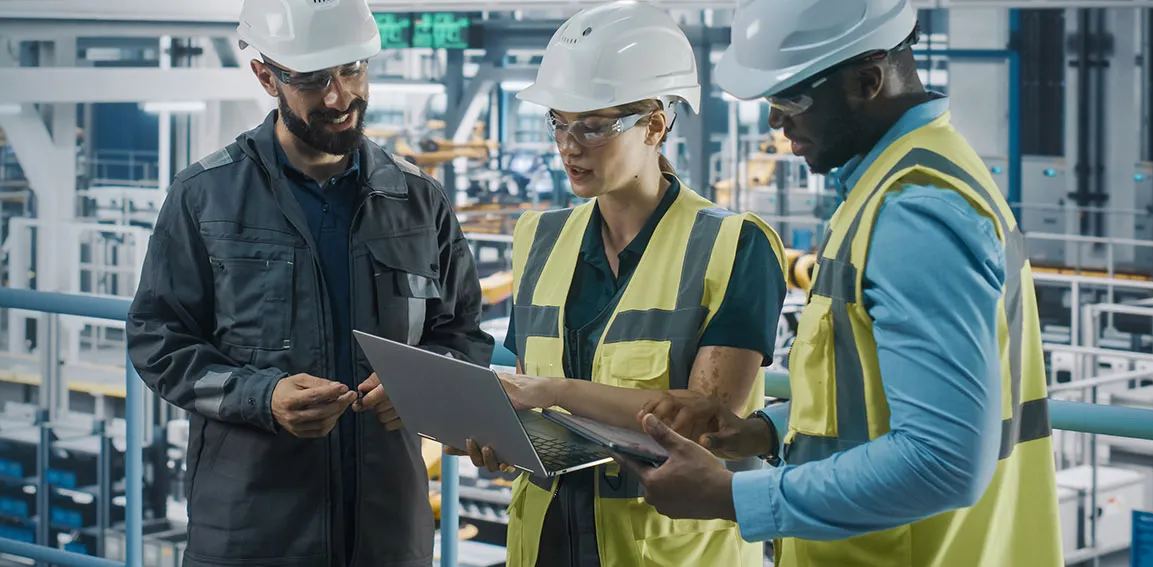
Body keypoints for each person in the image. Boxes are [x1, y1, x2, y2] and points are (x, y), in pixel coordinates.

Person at [614, 1, 1064, 566]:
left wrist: (731, 495)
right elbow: (868, 404)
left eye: (790, 98)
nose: (775, 122)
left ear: (867, 80)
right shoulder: (895, 184)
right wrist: (765, 432)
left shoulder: (912, 211)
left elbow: (944, 460)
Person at [124, 0, 494, 564]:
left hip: (387, 530)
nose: (338, 97)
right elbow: (157, 340)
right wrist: (262, 396)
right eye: (313, 79)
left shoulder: (418, 201)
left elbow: (462, 332)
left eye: (351, 69)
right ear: (266, 76)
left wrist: (421, 389)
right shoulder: (204, 197)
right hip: (252, 529)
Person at [447, 3, 787, 566]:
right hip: (545, 543)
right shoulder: (539, 237)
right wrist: (494, 430)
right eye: (558, 121)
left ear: (656, 124)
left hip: (663, 550)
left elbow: (702, 421)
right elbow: (516, 376)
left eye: (594, 125)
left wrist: (551, 393)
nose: (569, 144)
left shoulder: (734, 246)